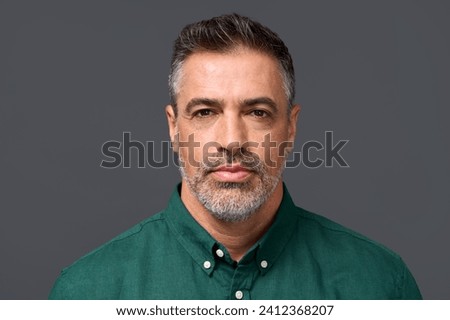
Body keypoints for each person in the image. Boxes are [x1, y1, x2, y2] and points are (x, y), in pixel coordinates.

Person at [49, 13, 421, 299]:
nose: (231, 140)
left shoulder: (380, 284)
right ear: (174, 127)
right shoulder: (86, 293)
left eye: (257, 112)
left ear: (290, 128)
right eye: (205, 112)